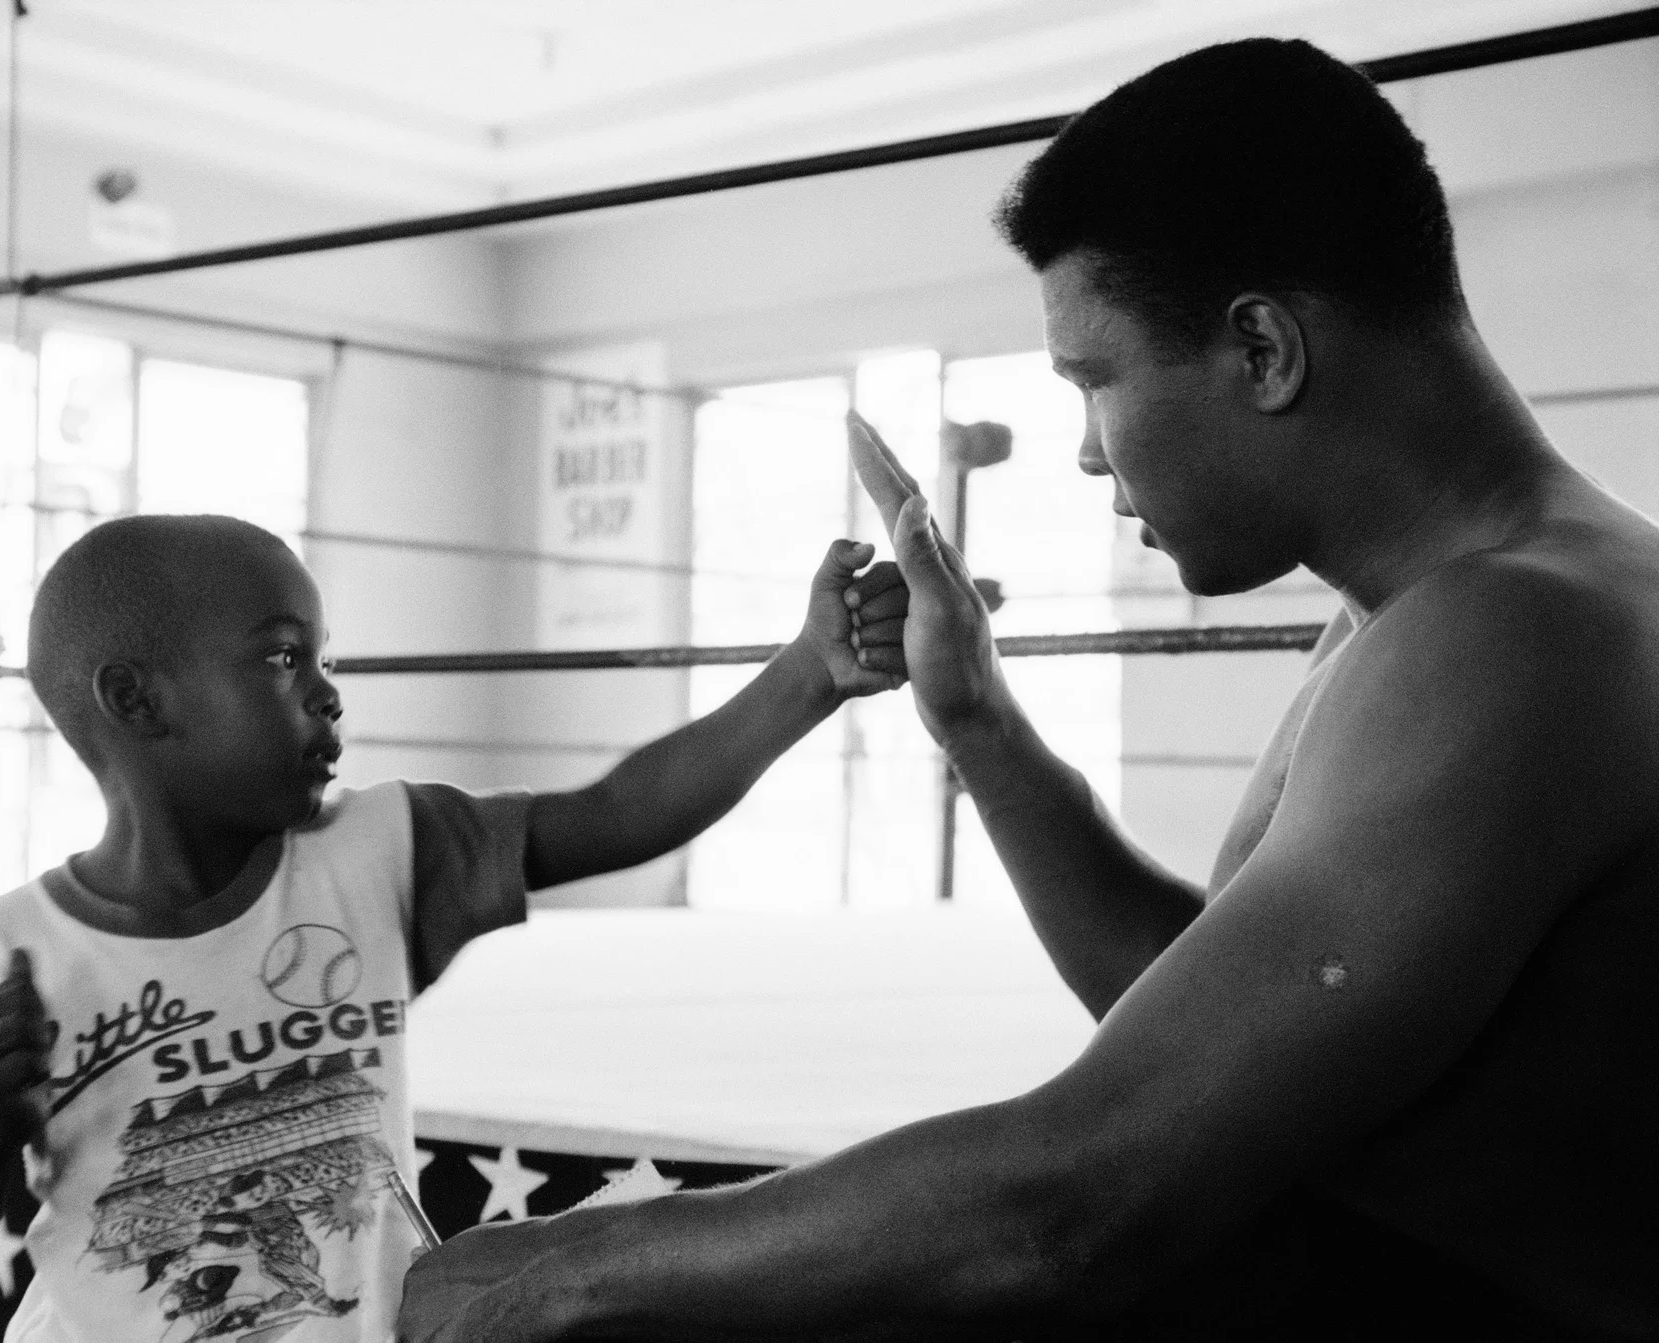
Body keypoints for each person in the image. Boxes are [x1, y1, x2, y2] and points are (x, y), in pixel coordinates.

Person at [397, 37, 1659, 1343]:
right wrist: (977, 720)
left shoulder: (1514, 631)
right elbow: (1204, 1034)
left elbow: (1080, 1198)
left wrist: (569, 1262)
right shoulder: (1436, 607)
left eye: (1094, 380)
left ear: (1264, 349)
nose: (1082, 451)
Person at [0, 511, 909, 1343]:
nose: (326, 693)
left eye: (320, 657)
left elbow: (618, 811)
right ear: (137, 700)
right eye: (281, 659)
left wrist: (807, 671)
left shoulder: (373, 853)